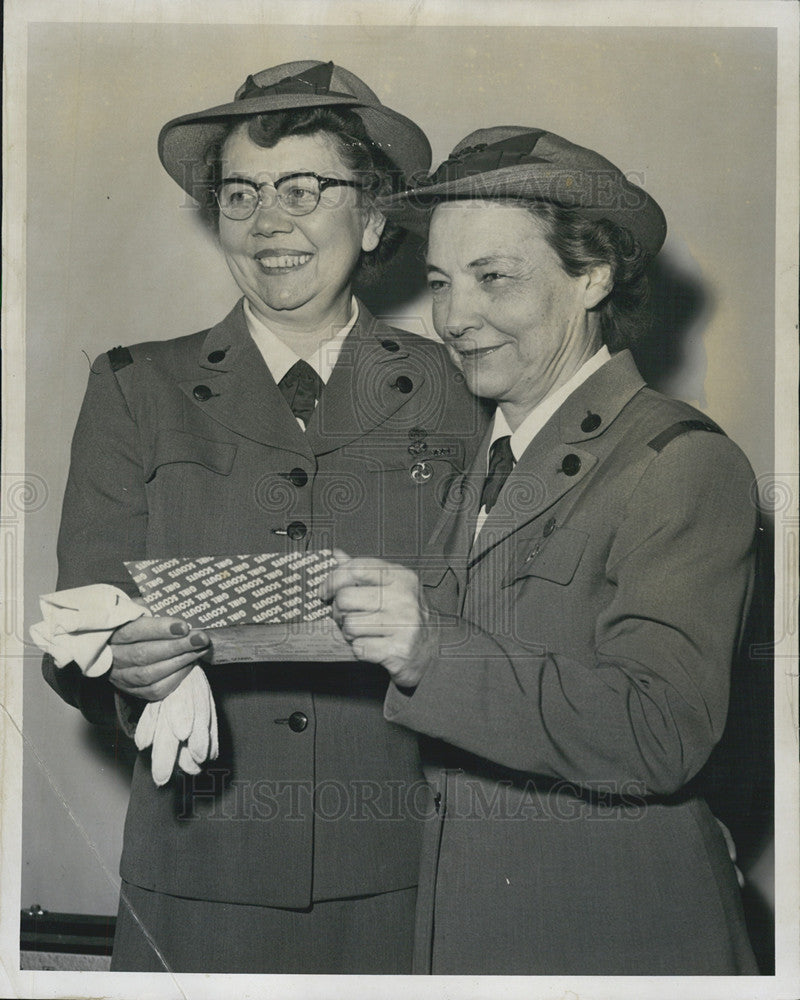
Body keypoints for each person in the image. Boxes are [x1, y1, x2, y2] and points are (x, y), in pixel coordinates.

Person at [41, 60, 485, 973]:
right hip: (198, 868)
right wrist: (121, 671)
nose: (267, 220)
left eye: (302, 189)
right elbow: (76, 629)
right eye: (240, 194)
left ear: (370, 218)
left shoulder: (458, 388)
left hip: (408, 871)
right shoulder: (136, 388)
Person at [322, 126, 760, 974]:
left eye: (495, 278)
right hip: (470, 932)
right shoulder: (483, 462)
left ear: (592, 273)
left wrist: (429, 648)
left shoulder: (681, 461)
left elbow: (661, 729)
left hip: (616, 939)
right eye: (443, 283)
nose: (454, 318)